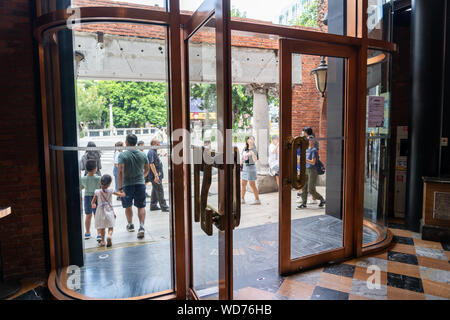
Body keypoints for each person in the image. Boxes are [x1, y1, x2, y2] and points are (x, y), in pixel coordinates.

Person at [117, 134, 150, 239]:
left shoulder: (123, 155)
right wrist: (142, 176)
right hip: (140, 184)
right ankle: (141, 227)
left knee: (128, 206)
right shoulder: (142, 154)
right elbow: (147, 169)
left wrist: (120, 187)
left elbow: (120, 171)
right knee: (141, 206)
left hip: (127, 185)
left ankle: (130, 225)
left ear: (127, 142)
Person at [91, 174, 125, 247]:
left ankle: (102, 241)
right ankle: (109, 236)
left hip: (100, 210)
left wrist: (93, 204)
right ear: (109, 184)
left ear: (101, 182)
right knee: (110, 226)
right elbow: (120, 195)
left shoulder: (97, 191)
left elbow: (93, 201)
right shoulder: (111, 190)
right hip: (109, 209)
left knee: (102, 227)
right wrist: (123, 193)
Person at [297, 136, 325, 209]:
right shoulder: (306, 150)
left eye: (310, 140)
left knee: (311, 189)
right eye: (308, 140)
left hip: (312, 170)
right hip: (305, 169)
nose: (309, 142)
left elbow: (313, 162)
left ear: (313, 142)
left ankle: (322, 199)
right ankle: (304, 203)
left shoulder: (314, 150)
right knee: (303, 187)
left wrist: (304, 159)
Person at [146, 138, 169, 213]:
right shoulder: (151, 152)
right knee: (159, 190)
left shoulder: (154, 151)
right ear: (153, 144)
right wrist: (156, 175)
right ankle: (164, 207)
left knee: (155, 190)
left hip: (157, 175)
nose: (159, 145)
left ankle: (153, 205)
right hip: (155, 175)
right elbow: (151, 164)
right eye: (158, 143)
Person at [80, 160, 101, 241]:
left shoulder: (83, 178)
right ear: (96, 169)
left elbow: (81, 187)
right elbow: (101, 188)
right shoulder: (98, 178)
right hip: (96, 197)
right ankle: (99, 233)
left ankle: (87, 233)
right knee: (97, 216)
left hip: (87, 197)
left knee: (88, 215)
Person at [241, 136, 261, 205]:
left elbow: (255, 160)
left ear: (253, 141)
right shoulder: (244, 149)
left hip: (251, 168)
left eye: (252, 139)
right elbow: (242, 159)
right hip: (245, 168)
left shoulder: (254, 150)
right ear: (247, 140)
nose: (250, 140)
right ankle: (242, 199)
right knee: (243, 184)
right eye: (249, 139)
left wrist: (252, 154)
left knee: (252, 184)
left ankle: (257, 200)